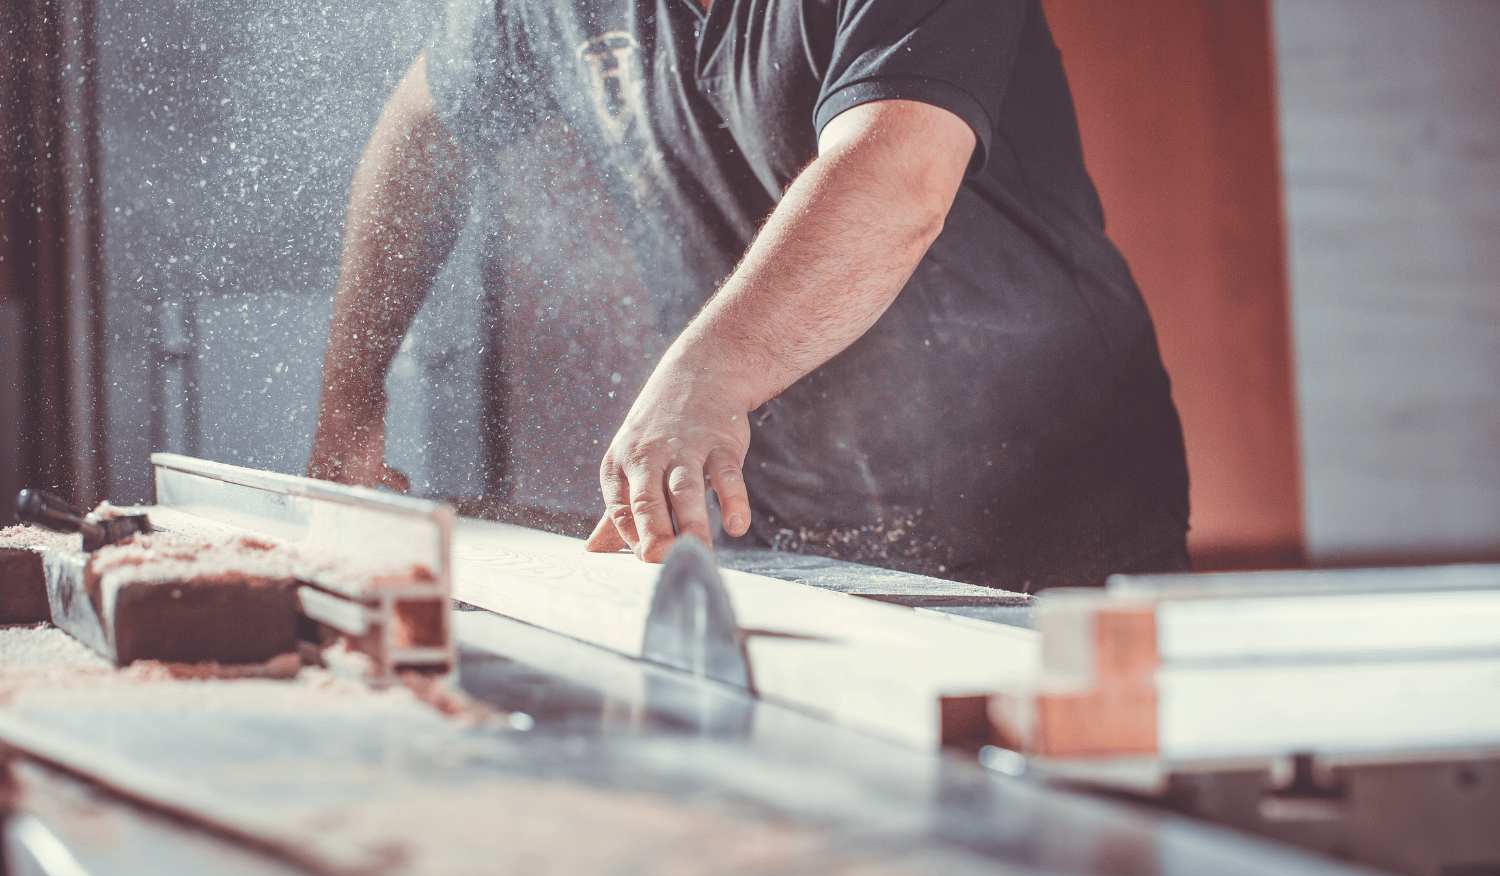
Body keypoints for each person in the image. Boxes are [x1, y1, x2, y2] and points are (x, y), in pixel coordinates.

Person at [309, 0, 1191, 593]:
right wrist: (350, 401)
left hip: (1058, 527)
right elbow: (421, 137)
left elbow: (898, 173)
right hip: (785, 539)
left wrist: (705, 373)